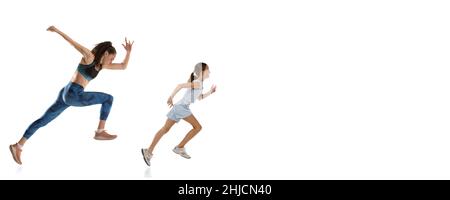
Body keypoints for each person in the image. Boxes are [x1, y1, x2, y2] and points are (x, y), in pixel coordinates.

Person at [9, 26, 134, 165]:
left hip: (66, 93)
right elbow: (73, 43)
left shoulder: (101, 66)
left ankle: (18, 146)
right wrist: (56, 30)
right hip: (74, 94)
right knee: (108, 99)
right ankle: (99, 131)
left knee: (43, 120)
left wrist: (128, 52)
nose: (111, 61)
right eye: (111, 58)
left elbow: (123, 66)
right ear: (105, 54)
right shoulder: (89, 57)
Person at [141, 62, 217, 166]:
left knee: (165, 129)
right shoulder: (198, 83)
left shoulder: (199, 83)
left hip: (178, 107)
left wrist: (210, 92)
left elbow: (200, 97)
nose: (210, 72)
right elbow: (180, 85)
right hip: (181, 108)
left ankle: (148, 151)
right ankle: (179, 148)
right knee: (198, 127)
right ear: (202, 71)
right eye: (208, 70)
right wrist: (171, 97)